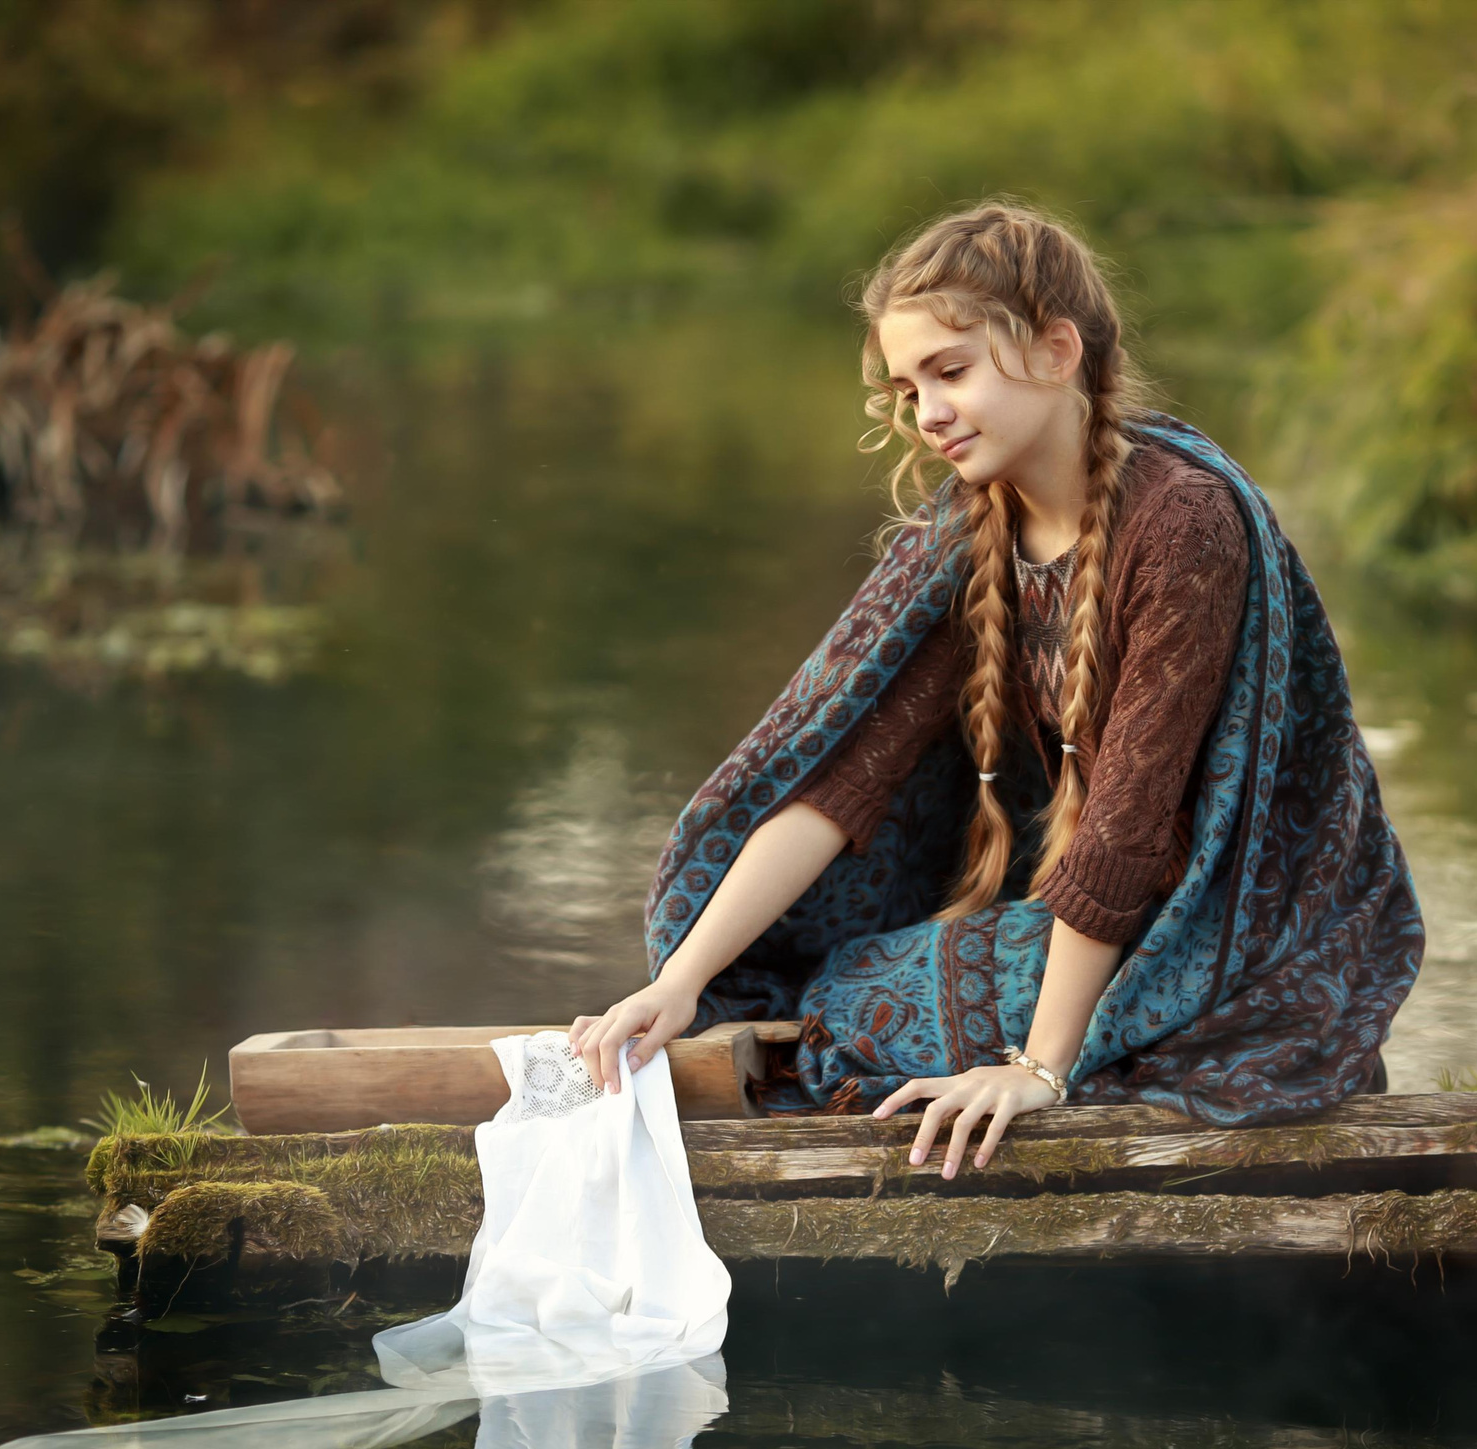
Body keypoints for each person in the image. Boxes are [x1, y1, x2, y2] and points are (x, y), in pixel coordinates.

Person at [571, 201, 1422, 1180]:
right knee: (845, 987)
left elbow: (1124, 831)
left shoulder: (1182, 525)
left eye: (949, 371)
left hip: (1230, 928)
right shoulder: (977, 524)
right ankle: (1087, 1050)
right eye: (905, 387)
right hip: (1108, 911)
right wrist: (680, 984)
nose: (925, 412)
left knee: (872, 1015)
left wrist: (1036, 1070)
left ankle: (1141, 1063)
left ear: (1057, 350)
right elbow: (843, 777)